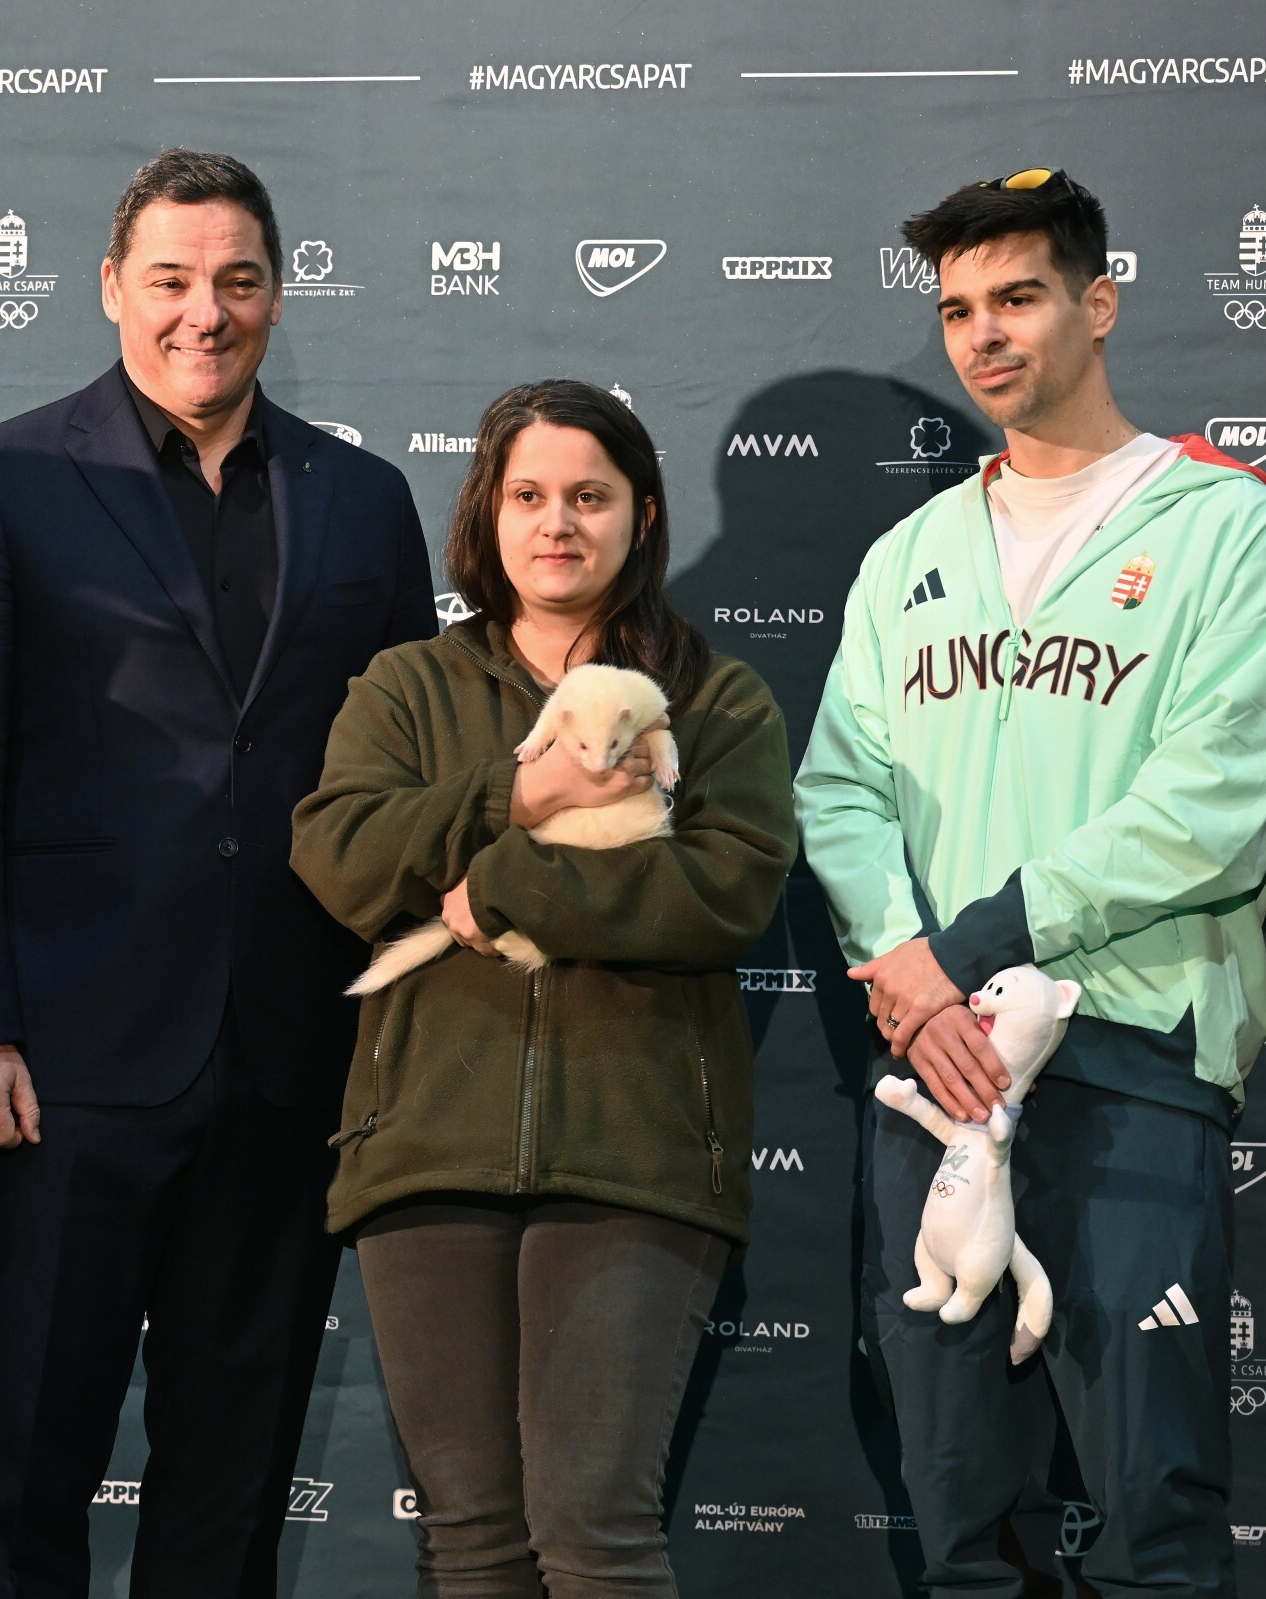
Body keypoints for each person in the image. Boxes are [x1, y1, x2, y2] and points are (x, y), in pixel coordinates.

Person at [0, 149, 434, 1597]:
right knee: (22, 1471)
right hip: (61, 1065)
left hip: (289, 1058)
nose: (207, 311)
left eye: (238, 280)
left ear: (279, 294)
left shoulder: (362, 497)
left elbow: (401, 780)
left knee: (234, 1490)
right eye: (174, 279)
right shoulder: (6, 479)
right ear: (111, 290)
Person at [794, 169, 1266, 1594]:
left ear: (1100, 303)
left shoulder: (1224, 525)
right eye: (959, 308)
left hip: (1132, 1054)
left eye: (1018, 297)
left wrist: (972, 943)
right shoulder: (912, 553)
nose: (984, 333)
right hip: (939, 1077)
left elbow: (1216, 807)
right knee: (957, 1527)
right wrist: (913, 979)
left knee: (1154, 1519)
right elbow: (837, 790)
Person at [290, 379, 795, 1597]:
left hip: (635, 1158)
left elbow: (724, 893)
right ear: (489, 512)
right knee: (470, 1543)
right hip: (427, 1152)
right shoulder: (408, 686)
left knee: (595, 1534)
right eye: (527, 495)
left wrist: (508, 883)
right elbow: (342, 858)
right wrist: (521, 799)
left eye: (589, 496)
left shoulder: (715, 699)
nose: (556, 523)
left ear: (643, 515)